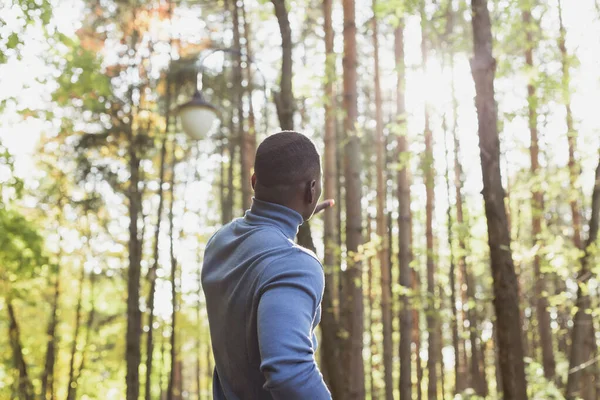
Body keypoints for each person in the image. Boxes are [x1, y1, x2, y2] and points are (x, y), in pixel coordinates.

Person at [202, 131, 334, 400]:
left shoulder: (219, 243)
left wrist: (291, 219)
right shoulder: (293, 265)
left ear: (254, 182)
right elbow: (289, 374)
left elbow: (256, 244)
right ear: (312, 190)